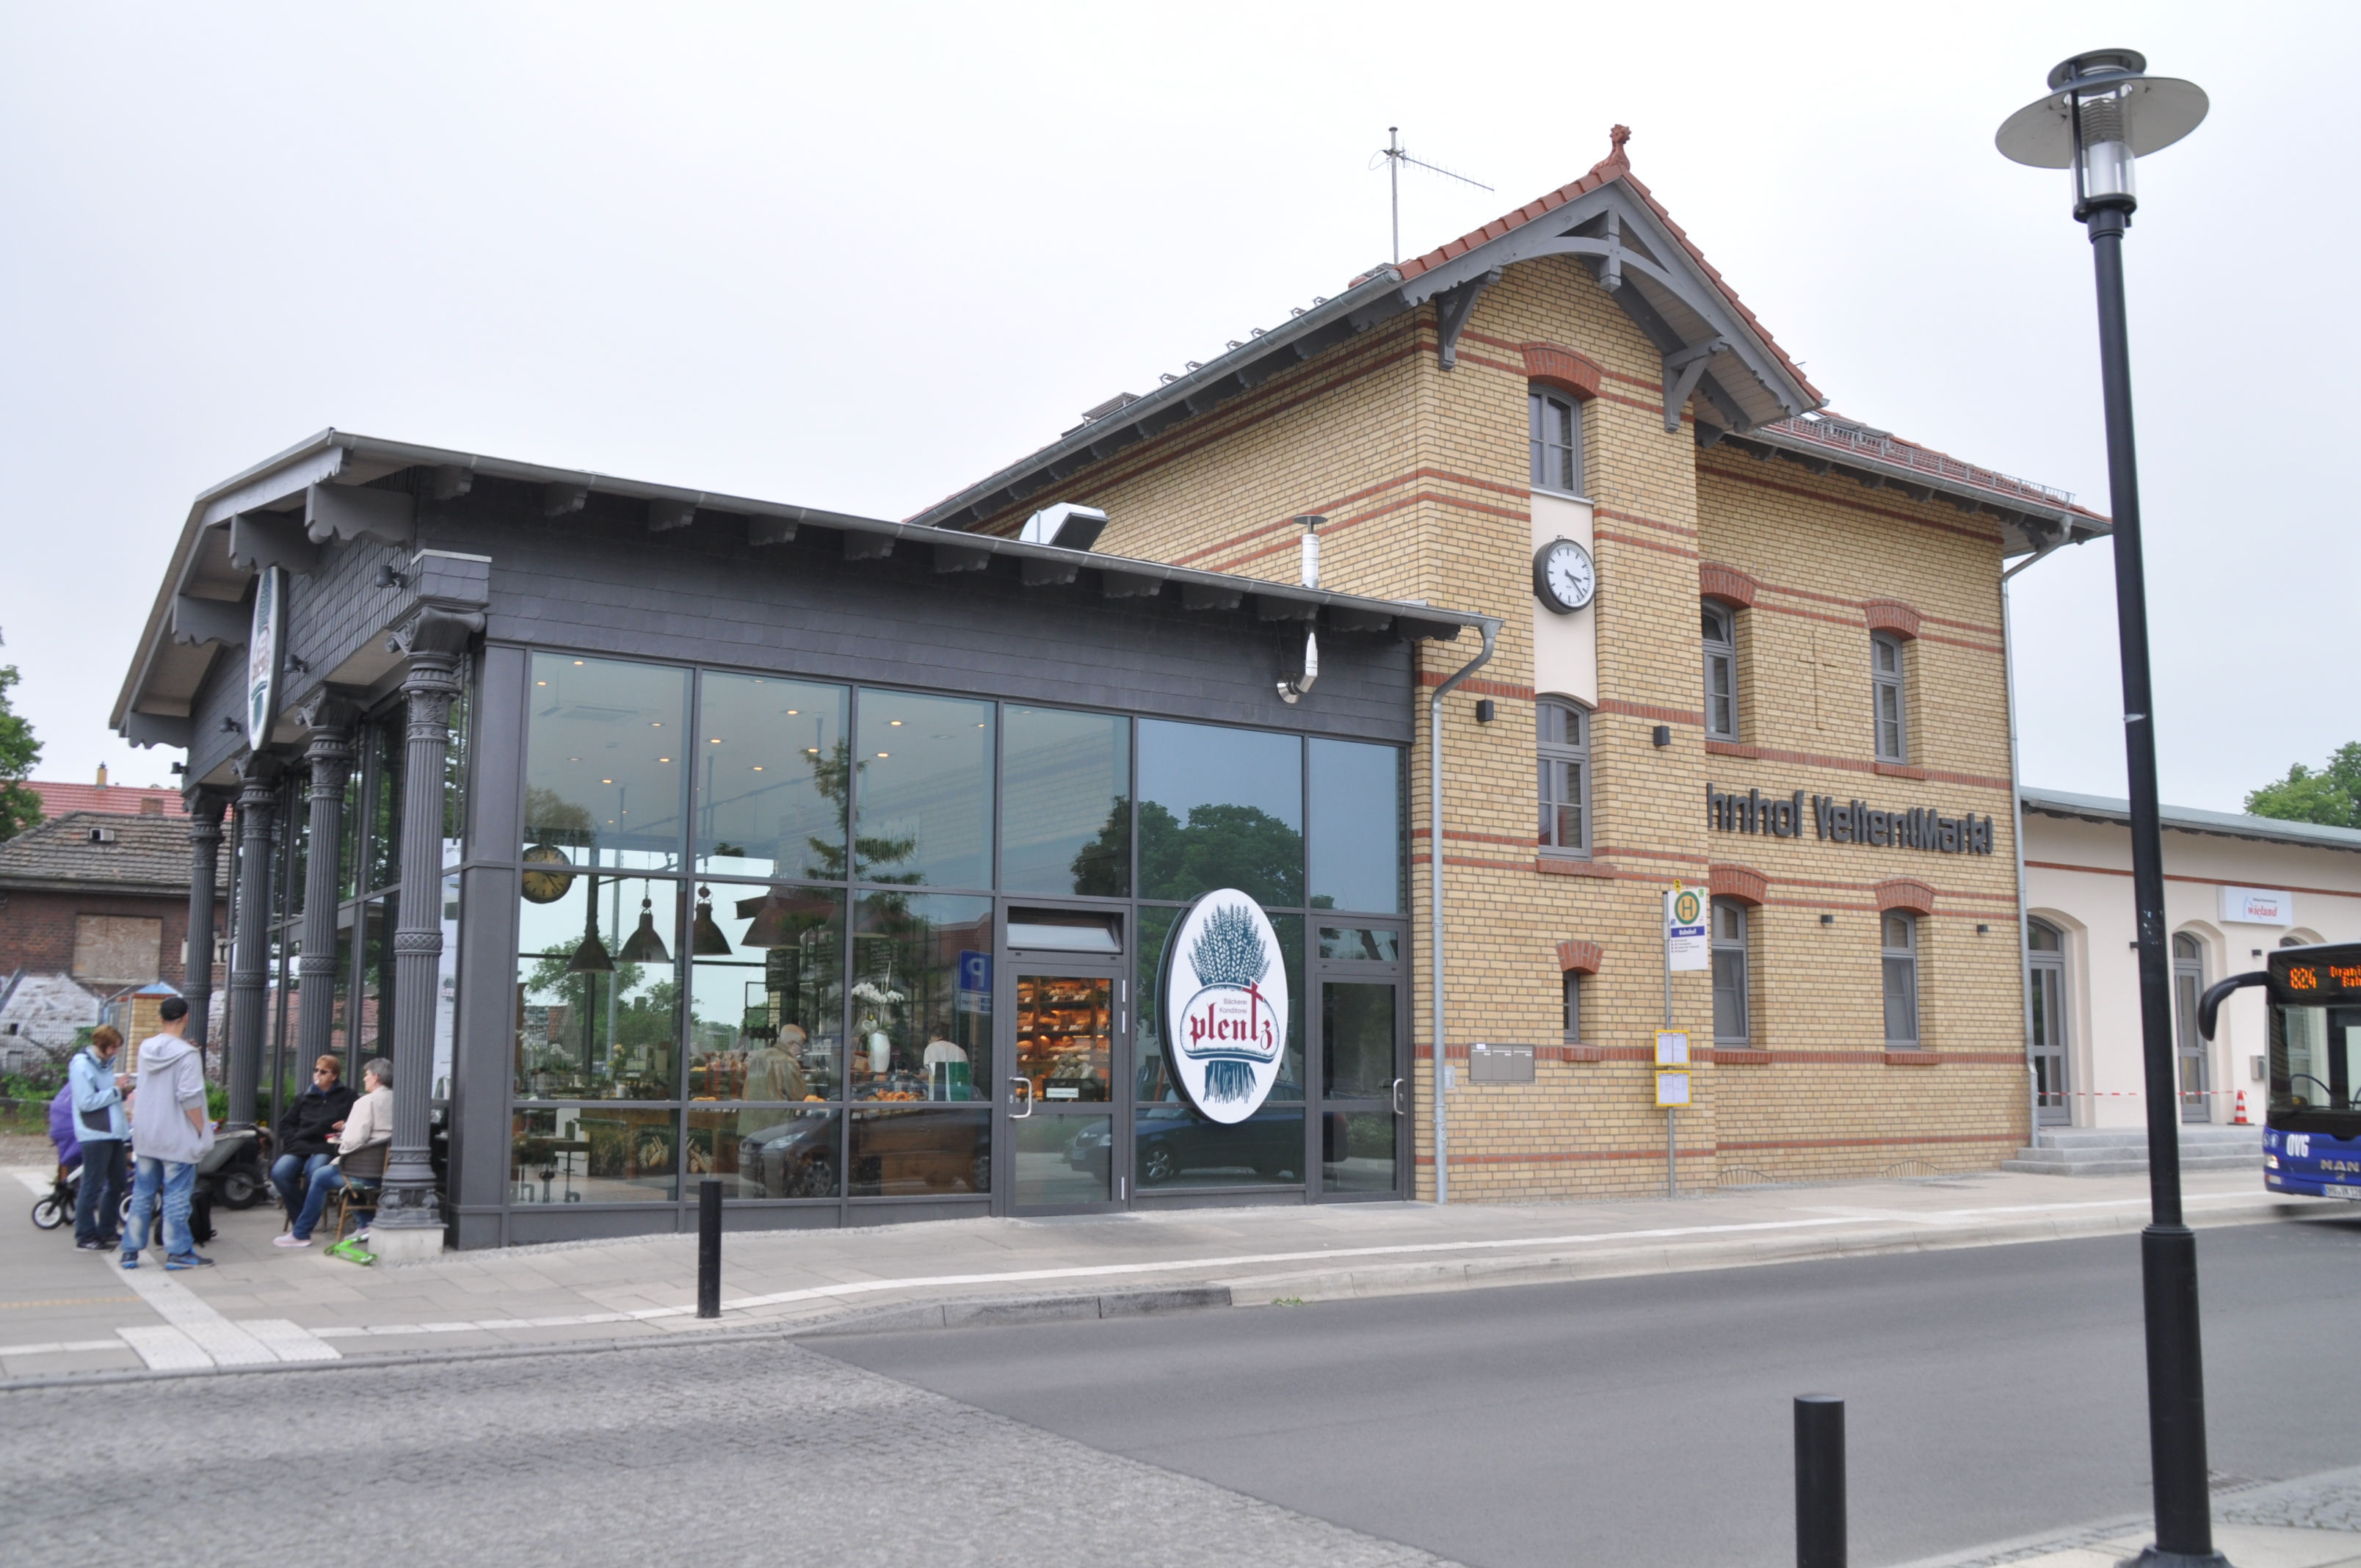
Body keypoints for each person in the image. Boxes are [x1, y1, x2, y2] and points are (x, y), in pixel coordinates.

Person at [120, 997, 216, 1271]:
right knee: (176, 1196)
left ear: (160, 1018)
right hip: (176, 1136)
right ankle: (178, 1251)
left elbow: (162, 1067)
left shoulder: (146, 1047)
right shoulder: (187, 1055)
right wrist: (201, 1130)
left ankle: (130, 1250)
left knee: (143, 1194)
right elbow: (189, 1097)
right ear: (186, 1018)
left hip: (147, 1133)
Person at [275, 1056, 392, 1249]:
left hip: (358, 1168)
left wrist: (340, 1152)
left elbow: (354, 1141)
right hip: (386, 1169)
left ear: (376, 1077)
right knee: (284, 1172)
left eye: (367, 1075)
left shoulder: (363, 1101)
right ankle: (364, 1223)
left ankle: (301, 1233)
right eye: (317, 1070)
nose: (364, 1079)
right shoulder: (397, 1100)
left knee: (322, 1174)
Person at [270, 1056, 357, 1223]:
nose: (318, 1074)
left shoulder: (348, 1096)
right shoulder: (303, 1098)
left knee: (315, 1173)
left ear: (334, 1076)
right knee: (279, 1173)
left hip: (325, 1146)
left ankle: (304, 1222)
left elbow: (360, 1121)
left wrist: (346, 1124)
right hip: (299, 1146)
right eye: (316, 1070)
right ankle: (303, 1216)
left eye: (323, 1072)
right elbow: (285, 1125)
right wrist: (293, 1139)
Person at [68, 1026, 130, 1251]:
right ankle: (85, 1236)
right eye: (113, 1047)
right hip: (95, 1133)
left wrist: (119, 1092)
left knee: (117, 1182)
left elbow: (104, 1098)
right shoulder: (81, 1066)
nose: (115, 1052)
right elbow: (86, 1102)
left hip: (112, 1131)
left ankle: (106, 1230)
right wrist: (115, 1091)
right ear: (102, 1045)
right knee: (92, 1185)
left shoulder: (103, 1065)